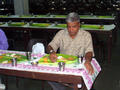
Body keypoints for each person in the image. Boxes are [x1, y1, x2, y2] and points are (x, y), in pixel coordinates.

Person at [47, 12, 94, 90]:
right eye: (69, 27)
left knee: (84, 77)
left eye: (74, 27)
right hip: (63, 66)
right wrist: (52, 52)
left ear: (79, 25)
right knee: (47, 75)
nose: (71, 29)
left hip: (78, 66)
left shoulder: (86, 35)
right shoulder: (61, 33)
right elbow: (51, 45)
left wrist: (88, 61)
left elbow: (89, 51)